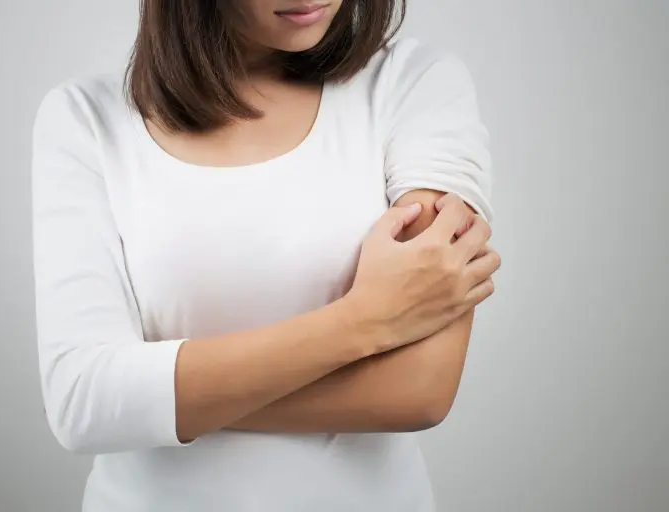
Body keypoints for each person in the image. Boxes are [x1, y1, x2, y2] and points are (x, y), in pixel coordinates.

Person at [31, 0, 501, 510]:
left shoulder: (412, 83)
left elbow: (418, 389)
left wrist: (153, 401)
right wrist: (366, 320)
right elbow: (83, 402)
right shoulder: (86, 118)